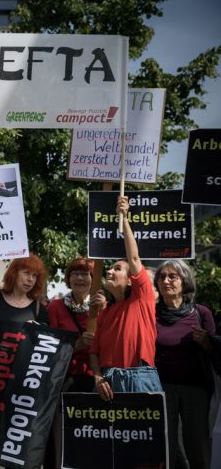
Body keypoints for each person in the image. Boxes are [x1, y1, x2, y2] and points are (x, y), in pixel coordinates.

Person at [89, 196, 162, 400]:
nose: (109, 271)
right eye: (110, 268)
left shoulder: (142, 298)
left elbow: (134, 258)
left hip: (139, 378)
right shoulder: (106, 313)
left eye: (117, 268)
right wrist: (98, 377)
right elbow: (94, 352)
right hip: (106, 383)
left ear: (131, 280)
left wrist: (125, 218)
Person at [154, 259, 216, 469]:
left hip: (195, 390)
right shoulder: (151, 313)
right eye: (162, 277)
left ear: (184, 281)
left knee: (197, 447)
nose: (166, 281)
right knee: (165, 449)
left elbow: (215, 352)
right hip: (161, 389)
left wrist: (206, 343)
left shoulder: (201, 313)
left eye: (172, 276)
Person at [44, 257, 95, 469]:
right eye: (75, 273)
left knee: (88, 436)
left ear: (93, 278)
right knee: (60, 436)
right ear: (68, 278)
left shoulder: (102, 307)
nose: (80, 278)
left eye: (85, 274)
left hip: (94, 382)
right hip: (64, 381)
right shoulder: (56, 307)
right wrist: (78, 345)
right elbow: (51, 348)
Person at [0, 254, 48, 329]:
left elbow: (45, 336)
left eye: (34, 275)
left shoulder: (39, 309)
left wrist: (35, 329)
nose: (30, 279)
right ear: (14, 274)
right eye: (26, 273)